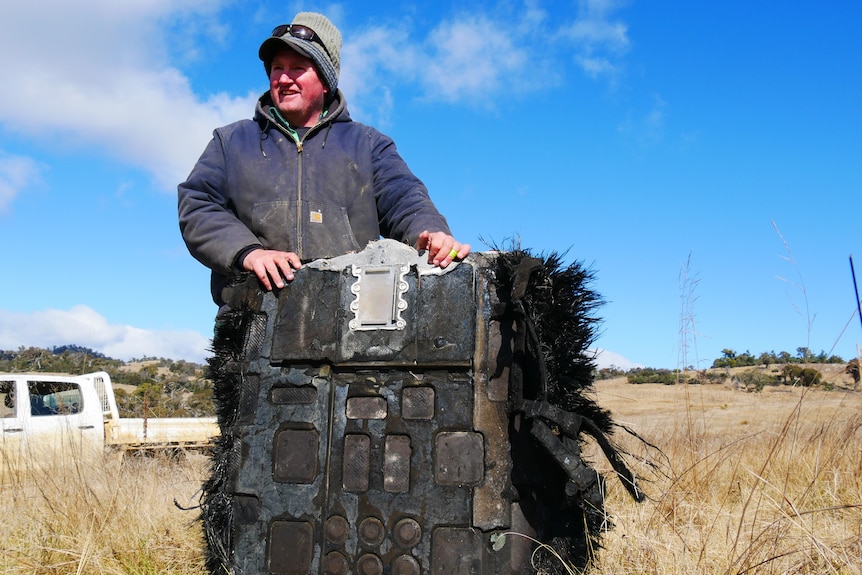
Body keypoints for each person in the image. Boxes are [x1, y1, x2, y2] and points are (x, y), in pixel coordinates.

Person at [178, 12, 470, 309]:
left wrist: (433, 232)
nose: (283, 78)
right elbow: (198, 205)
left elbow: (405, 199)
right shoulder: (231, 141)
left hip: (348, 316)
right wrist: (248, 253)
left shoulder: (368, 144)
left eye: (297, 68)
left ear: (326, 79)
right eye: (277, 68)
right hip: (253, 314)